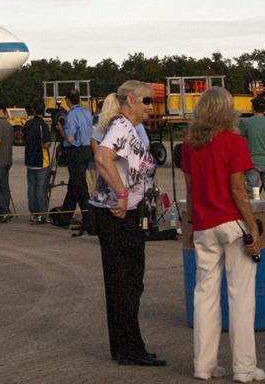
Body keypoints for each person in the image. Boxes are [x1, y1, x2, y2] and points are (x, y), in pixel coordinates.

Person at [179, 87, 263, 383]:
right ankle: (244, 368)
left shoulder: (189, 145)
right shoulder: (233, 141)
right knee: (241, 297)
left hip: (203, 225)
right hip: (230, 222)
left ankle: (203, 365)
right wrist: (252, 226)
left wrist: (190, 226)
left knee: (205, 295)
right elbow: (238, 189)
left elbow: (190, 190)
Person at [89, 80, 163, 367]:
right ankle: (130, 348)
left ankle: (126, 346)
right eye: (146, 100)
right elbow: (102, 156)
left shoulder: (126, 128)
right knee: (128, 283)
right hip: (119, 215)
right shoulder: (121, 127)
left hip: (121, 213)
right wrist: (120, 192)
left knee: (124, 284)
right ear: (130, 100)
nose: (150, 106)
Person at [239, 96, 265, 232]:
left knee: (253, 193)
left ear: (253, 107)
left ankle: (254, 222)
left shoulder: (246, 122)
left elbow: (240, 137)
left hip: (252, 162)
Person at [60, 91, 96, 235]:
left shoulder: (71, 115)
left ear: (68, 101)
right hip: (88, 150)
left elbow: (69, 138)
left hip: (76, 151)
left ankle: (90, 221)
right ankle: (64, 217)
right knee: (74, 184)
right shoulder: (87, 112)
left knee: (80, 187)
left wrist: (61, 130)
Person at [24, 103, 50, 225]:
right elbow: (46, 144)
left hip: (29, 160)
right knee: (41, 188)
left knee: (32, 188)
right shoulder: (43, 125)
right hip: (41, 161)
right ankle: (41, 214)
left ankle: (33, 214)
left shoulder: (28, 124)